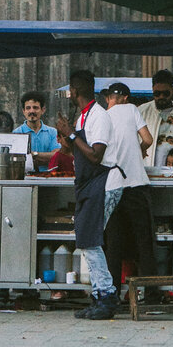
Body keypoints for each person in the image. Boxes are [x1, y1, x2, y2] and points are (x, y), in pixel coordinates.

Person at [57, 68, 123, 319]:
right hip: (89, 184)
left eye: (70, 91)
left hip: (104, 182)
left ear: (75, 91)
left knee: (90, 241)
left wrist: (71, 134)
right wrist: (67, 138)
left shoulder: (99, 116)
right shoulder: (82, 117)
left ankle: (106, 296)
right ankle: (99, 296)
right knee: (87, 240)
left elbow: (96, 154)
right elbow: (78, 150)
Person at [102, 82, 158, 298]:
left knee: (113, 244)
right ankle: (152, 294)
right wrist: (140, 150)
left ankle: (112, 295)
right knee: (145, 242)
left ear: (109, 98)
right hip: (135, 185)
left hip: (112, 186)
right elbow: (148, 139)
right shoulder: (132, 109)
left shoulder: (102, 116)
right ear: (126, 97)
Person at [138, 69, 173, 167]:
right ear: (152, 90)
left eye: (166, 93)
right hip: (148, 169)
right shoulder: (142, 111)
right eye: (157, 93)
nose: (161, 97)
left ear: (172, 91)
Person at [15, 90, 58, 172]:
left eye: (35, 107)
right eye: (28, 108)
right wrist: (45, 158)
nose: (32, 111)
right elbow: (18, 162)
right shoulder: (16, 133)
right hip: (24, 180)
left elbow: (57, 156)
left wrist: (33, 155)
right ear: (23, 111)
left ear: (43, 110)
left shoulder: (53, 132)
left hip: (49, 180)